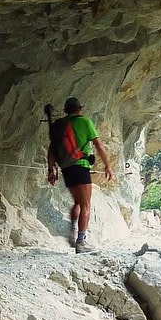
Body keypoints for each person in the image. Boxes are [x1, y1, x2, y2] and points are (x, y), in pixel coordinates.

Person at [47, 97, 115, 252]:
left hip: (66, 168)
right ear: (80, 108)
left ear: (65, 110)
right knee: (86, 205)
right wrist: (108, 166)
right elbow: (98, 144)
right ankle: (81, 242)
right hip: (81, 166)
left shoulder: (59, 126)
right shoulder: (85, 122)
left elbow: (51, 149)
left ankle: (72, 230)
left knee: (78, 201)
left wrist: (51, 169)